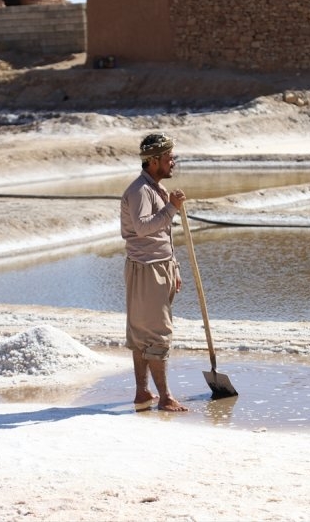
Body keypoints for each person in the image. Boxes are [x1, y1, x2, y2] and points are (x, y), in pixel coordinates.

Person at [120, 132, 189, 412]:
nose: (173, 162)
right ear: (155, 160)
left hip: (158, 266)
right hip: (147, 269)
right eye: (170, 157)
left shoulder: (154, 188)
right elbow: (144, 228)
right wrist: (173, 207)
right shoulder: (140, 191)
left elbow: (162, 236)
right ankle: (165, 398)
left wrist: (175, 267)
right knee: (156, 334)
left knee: (142, 333)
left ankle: (143, 394)